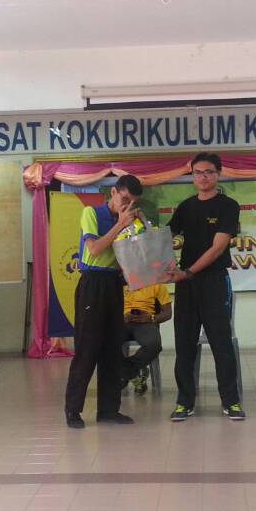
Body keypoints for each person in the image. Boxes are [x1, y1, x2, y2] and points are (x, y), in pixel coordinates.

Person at [167, 152, 246, 422]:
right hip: (186, 286)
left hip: (213, 282)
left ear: (218, 174)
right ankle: (184, 402)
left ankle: (231, 401)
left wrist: (187, 271)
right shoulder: (185, 206)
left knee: (221, 343)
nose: (203, 177)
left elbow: (217, 249)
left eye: (209, 172)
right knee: (184, 345)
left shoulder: (228, 206)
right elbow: (165, 237)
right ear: (192, 176)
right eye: (198, 172)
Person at [64, 174, 144, 429]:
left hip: (114, 283)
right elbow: (95, 249)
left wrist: (140, 226)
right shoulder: (92, 213)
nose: (127, 205)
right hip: (93, 283)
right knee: (87, 348)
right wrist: (120, 225)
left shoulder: (129, 221)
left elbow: (137, 256)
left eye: (132, 202)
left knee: (112, 349)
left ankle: (109, 410)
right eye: (124, 199)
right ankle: (73, 410)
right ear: (113, 193)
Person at [120, 282, 172, 395]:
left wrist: (152, 318)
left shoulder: (156, 284)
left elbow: (168, 313)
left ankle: (124, 372)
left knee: (154, 345)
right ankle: (131, 374)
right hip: (123, 321)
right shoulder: (119, 282)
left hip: (146, 322)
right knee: (106, 342)